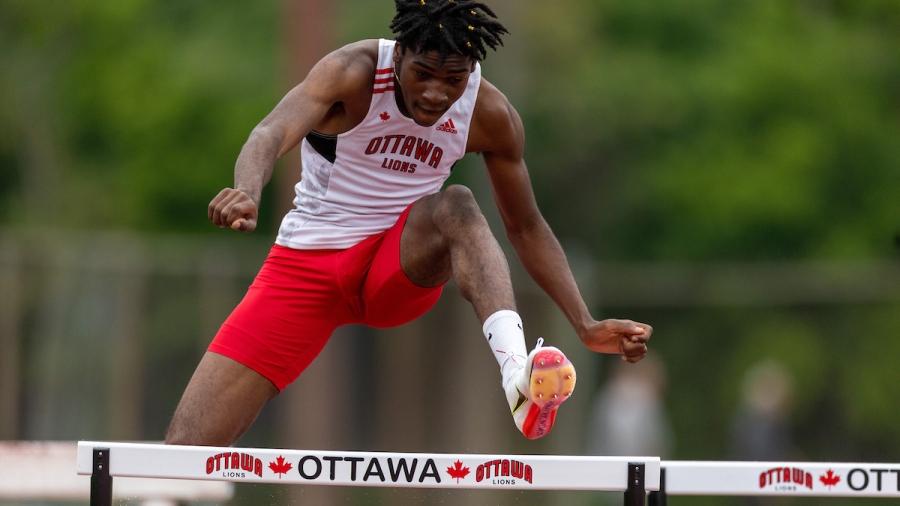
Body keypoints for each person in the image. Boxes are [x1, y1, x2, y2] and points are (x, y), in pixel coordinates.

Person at [165, 0, 652, 447]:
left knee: (457, 205)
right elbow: (270, 132)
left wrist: (584, 324)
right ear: (398, 56)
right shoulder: (351, 74)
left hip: (393, 267)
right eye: (423, 74)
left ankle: (518, 377)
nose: (438, 93)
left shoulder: (488, 113)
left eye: (454, 79)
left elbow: (525, 227)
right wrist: (248, 191)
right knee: (183, 451)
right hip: (305, 268)